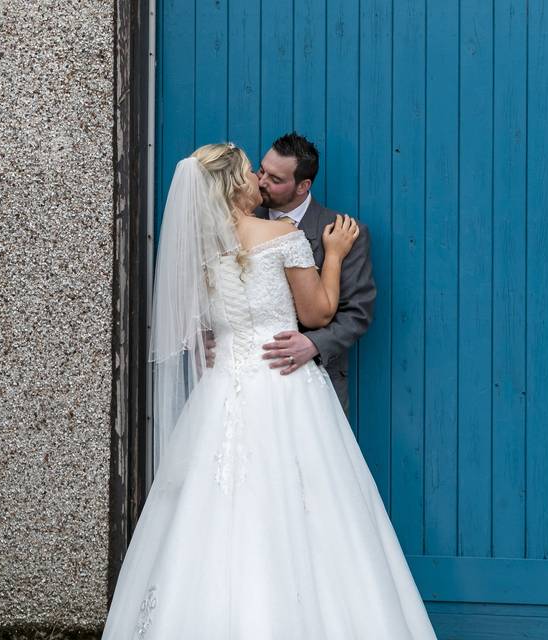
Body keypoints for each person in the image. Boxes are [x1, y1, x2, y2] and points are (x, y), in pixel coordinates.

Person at [101, 143, 437, 639]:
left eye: (271, 176)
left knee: (214, 508)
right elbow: (320, 312)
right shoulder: (282, 234)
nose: (260, 180)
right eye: (255, 172)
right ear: (238, 183)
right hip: (285, 389)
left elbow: (200, 319)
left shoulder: (200, 245)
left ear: (303, 184)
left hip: (221, 394)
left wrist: (213, 339)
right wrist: (334, 255)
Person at [254, 132, 375, 414]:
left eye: (276, 179)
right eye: (262, 170)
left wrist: (313, 343)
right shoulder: (242, 219)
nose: (262, 182)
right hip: (252, 379)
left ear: (303, 186)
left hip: (318, 379)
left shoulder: (344, 231)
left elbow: (357, 312)